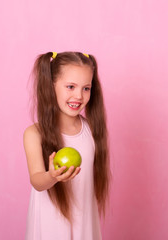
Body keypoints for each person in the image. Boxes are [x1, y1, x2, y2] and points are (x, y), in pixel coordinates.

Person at [23, 51, 110, 240]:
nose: (78, 95)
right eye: (70, 87)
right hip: (50, 226)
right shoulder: (34, 134)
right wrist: (51, 176)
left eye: (86, 88)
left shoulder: (92, 131)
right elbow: (37, 181)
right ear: (51, 86)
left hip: (83, 223)